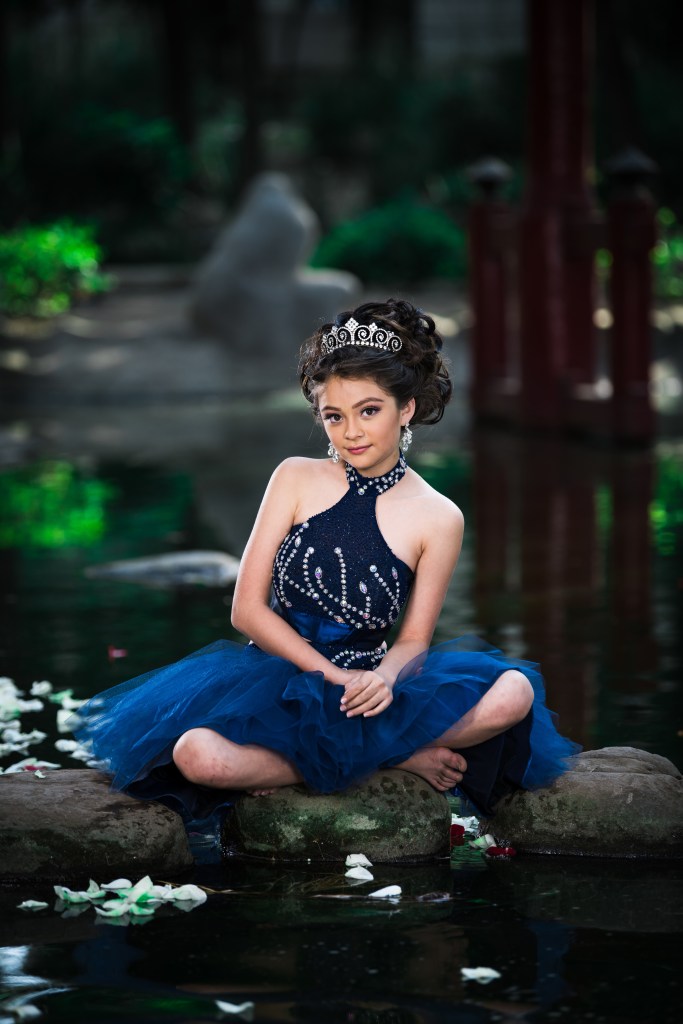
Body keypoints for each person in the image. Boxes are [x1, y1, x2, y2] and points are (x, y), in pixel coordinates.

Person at [75, 298, 579, 821]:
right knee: (197, 755)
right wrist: (328, 675)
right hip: (278, 677)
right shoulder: (294, 477)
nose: (351, 432)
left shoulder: (440, 516)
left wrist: (383, 679)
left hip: (371, 685)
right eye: (334, 416)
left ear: (406, 409)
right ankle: (393, 756)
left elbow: (413, 641)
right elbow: (246, 610)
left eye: (369, 410)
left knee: (514, 691)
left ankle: (338, 756)